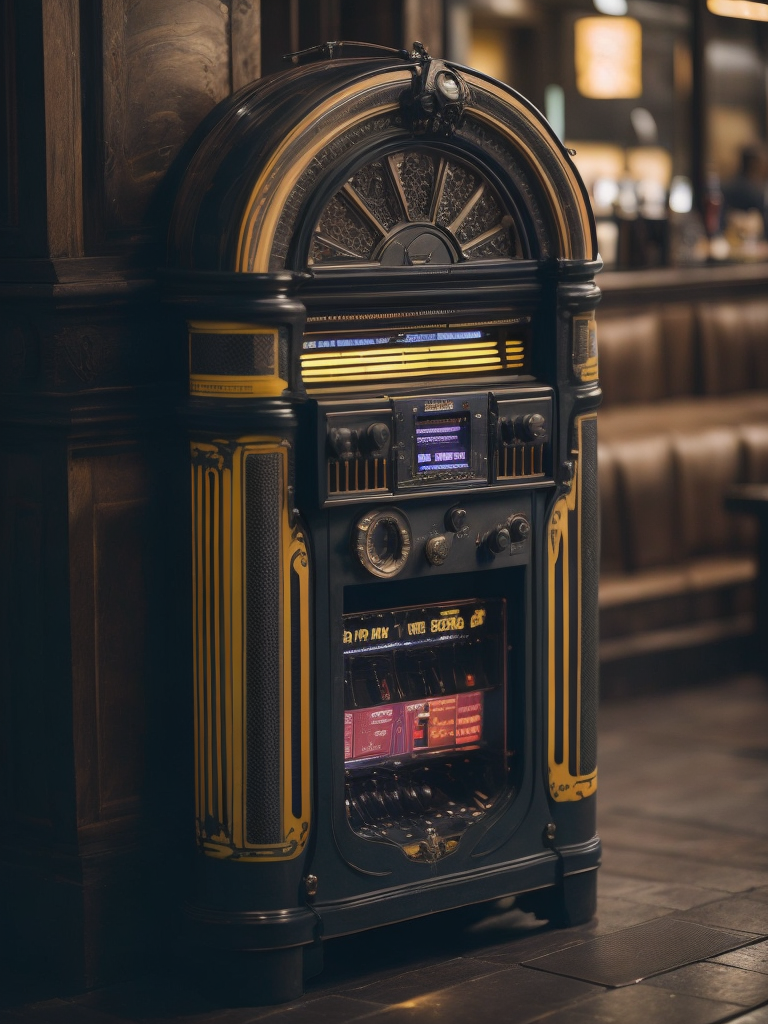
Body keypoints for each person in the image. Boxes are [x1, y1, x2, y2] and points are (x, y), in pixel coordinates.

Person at [722, 144, 768, 238]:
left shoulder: (729, 185)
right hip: (747, 239)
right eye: (761, 163)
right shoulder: (753, 191)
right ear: (753, 164)